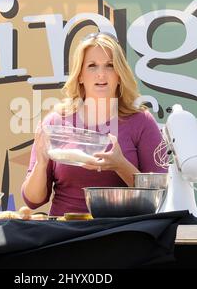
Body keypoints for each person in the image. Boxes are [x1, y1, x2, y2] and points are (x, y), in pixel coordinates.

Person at [22, 32, 167, 216]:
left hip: (124, 233)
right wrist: (41, 165)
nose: (101, 74)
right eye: (92, 66)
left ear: (120, 74)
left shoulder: (142, 122)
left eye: (109, 65)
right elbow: (33, 201)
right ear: (80, 75)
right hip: (65, 235)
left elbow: (162, 195)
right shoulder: (55, 121)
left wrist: (120, 165)